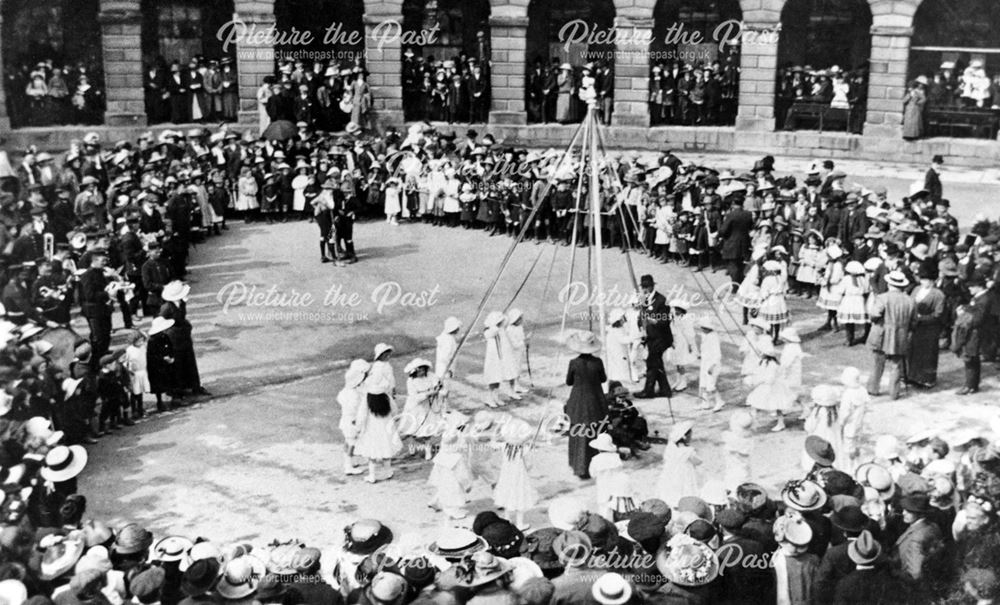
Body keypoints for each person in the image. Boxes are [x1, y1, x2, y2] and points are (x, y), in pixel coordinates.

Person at [564, 330, 607, 480]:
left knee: (577, 430)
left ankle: (578, 465)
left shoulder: (574, 363)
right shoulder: (598, 362)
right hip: (595, 398)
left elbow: (569, 381)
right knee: (595, 429)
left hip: (578, 399)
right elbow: (603, 379)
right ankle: (594, 463)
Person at [867, 270, 917, 399]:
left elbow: (874, 314)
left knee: (878, 362)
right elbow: (914, 321)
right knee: (896, 365)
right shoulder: (910, 300)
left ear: (890, 284)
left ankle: (873, 388)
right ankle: (894, 393)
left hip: (881, 333)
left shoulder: (883, 298)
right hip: (900, 335)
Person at [356, 343, 402, 483]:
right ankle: (387, 471)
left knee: (372, 453)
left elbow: (362, 415)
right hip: (386, 427)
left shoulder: (367, 399)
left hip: (372, 430)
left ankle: (372, 475)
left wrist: (358, 427)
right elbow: (395, 410)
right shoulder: (386, 399)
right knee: (387, 448)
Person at [493, 417, 538, 530]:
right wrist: (531, 448)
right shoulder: (523, 449)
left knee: (507, 497)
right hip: (519, 477)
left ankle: (507, 520)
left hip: (506, 476)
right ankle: (519, 523)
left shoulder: (504, 446)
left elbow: (494, 442)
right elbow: (529, 464)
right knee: (520, 498)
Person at [907, 262, 945, 388]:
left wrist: (921, 318)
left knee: (928, 354)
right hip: (916, 327)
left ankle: (928, 379)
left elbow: (938, 314)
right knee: (914, 352)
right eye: (922, 279)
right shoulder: (916, 289)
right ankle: (913, 376)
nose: (923, 282)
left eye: (926, 280)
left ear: (932, 280)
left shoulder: (938, 294)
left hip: (930, 328)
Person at [634, 274, 672, 399]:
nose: (644, 290)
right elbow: (640, 316)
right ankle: (665, 389)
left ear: (651, 286)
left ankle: (648, 390)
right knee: (656, 363)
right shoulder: (644, 300)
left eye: (646, 287)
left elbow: (665, 321)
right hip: (650, 337)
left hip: (661, 337)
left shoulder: (661, 300)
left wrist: (652, 321)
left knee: (652, 362)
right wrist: (641, 326)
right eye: (643, 287)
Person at [78, 247, 113, 371]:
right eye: (103, 260)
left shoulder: (102, 273)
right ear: (95, 260)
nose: (105, 262)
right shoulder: (88, 275)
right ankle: (95, 365)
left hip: (104, 310)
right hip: (94, 312)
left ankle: (103, 360)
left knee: (106, 336)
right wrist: (107, 294)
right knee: (98, 338)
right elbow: (89, 295)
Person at [656, 420, 699, 507]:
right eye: (689, 435)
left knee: (671, 490)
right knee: (686, 489)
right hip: (685, 474)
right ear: (684, 437)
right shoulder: (688, 451)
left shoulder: (670, 448)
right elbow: (698, 461)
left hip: (669, 473)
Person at [337, 359, 368, 477]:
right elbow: (356, 410)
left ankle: (348, 463)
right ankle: (348, 467)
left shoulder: (348, 391)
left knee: (348, 442)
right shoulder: (353, 395)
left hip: (347, 420)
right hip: (351, 421)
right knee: (351, 443)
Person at [697, 316, 724, 411]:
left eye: (704, 327)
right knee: (703, 383)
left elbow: (717, 353)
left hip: (712, 364)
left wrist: (713, 365)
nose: (702, 329)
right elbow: (704, 348)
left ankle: (719, 401)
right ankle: (705, 402)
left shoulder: (714, 337)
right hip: (705, 362)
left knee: (711, 385)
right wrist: (701, 354)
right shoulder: (705, 335)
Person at [123, 330, 150, 420]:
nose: (141, 342)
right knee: (134, 393)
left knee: (140, 392)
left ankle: (140, 409)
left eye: (142, 340)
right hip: (133, 373)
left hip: (142, 372)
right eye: (138, 341)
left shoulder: (143, 347)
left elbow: (147, 338)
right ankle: (134, 410)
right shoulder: (129, 350)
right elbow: (125, 362)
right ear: (133, 341)